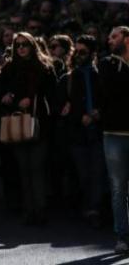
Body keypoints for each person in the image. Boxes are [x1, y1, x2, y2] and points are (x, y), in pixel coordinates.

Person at [0, 32, 58, 225]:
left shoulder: (44, 68)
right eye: (18, 45)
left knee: (37, 168)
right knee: (24, 169)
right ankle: (29, 210)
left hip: (40, 123)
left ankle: (40, 210)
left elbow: (53, 95)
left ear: (33, 46)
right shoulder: (9, 69)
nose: (21, 48)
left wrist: (33, 100)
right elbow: (1, 94)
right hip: (18, 123)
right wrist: (11, 98)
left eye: (25, 44)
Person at [59, 34, 107, 229]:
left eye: (83, 52)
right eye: (76, 52)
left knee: (98, 173)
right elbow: (61, 108)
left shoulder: (101, 75)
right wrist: (77, 116)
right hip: (77, 134)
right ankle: (86, 207)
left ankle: (95, 209)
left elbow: (109, 100)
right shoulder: (68, 79)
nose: (79, 56)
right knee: (83, 174)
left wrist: (98, 113)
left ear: (92, 53)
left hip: (98, 132)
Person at [99, 26, 129, 254]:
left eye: (115, 36)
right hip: (114, 134)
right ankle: (123, 235)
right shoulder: (107, 64)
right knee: (118, 187)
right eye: (109, 36)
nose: (109, 40)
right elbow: (109, 92)